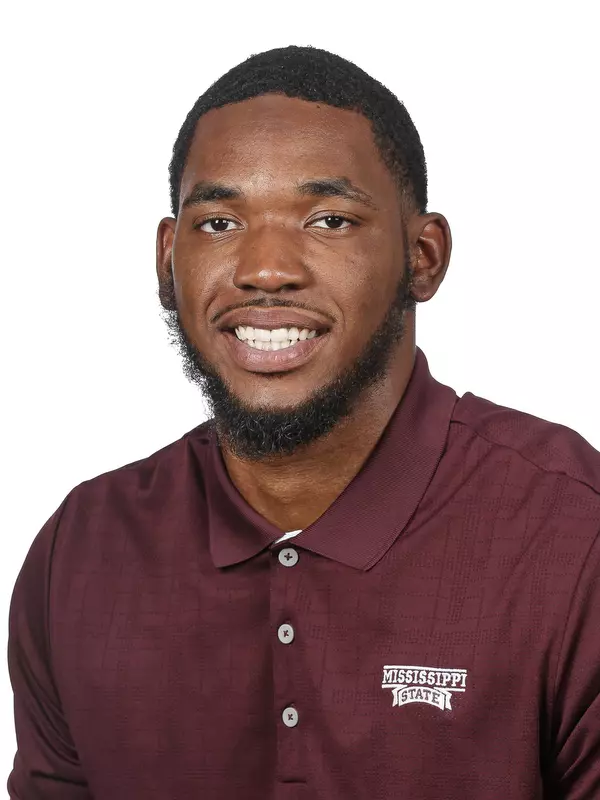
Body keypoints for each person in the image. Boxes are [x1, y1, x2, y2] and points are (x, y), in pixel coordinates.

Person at [6, 45, 600, 800]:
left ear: (423, 257)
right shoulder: (83, 550)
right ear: (167, 260)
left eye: (329, 219)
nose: (266, 269)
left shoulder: (570, 533)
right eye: (220, 221)